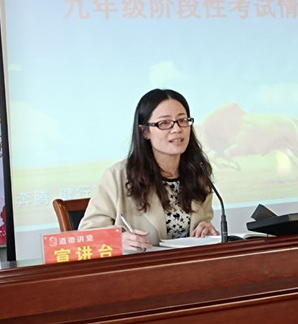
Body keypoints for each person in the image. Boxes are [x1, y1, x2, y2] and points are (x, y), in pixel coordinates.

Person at [79, 89, 218, 251]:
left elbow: (204, 220)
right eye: (164, 123)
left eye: (182, 120)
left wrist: (206, 228)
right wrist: (117, 240)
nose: (177, 129)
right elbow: (87, 234)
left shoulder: (198, 169)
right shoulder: (118, 176)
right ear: (145, 131)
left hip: (189, 263)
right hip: (138, 265)